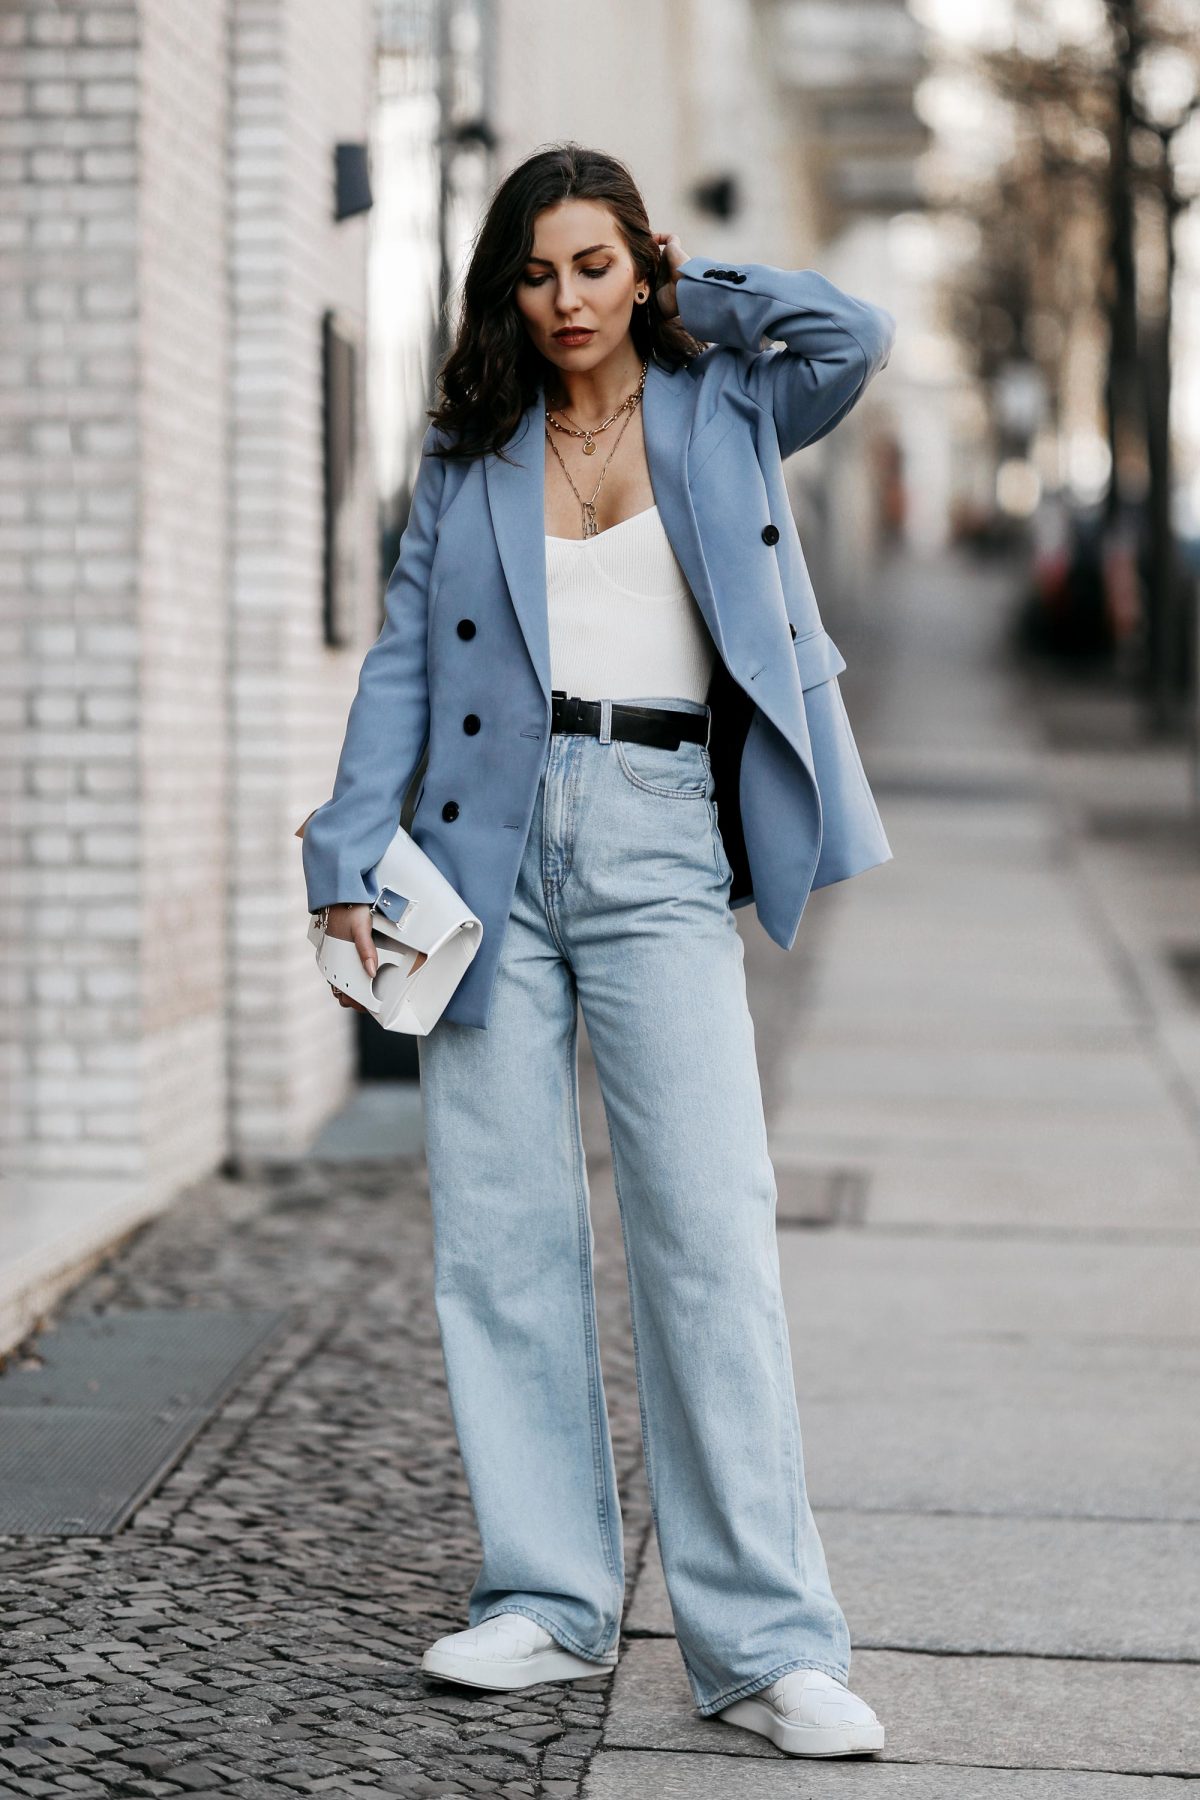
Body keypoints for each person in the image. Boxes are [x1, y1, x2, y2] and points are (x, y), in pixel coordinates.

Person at [305, 142, 895, 1760]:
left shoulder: (730, 404)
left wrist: (690, 290)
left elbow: (852, 335)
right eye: (536, 272)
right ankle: (547, 1602)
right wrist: (347, 850)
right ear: (506, 288)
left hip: (657, 835)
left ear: (637, 265)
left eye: (592, 265)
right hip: (484, 846)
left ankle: (770, 1644)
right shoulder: (472, 447)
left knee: (708, 1234)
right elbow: (406, 660)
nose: (564, 301)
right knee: (501, 1236)